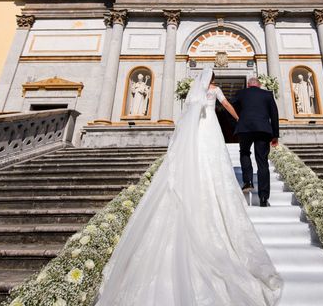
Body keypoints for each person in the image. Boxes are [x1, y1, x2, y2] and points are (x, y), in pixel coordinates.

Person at [97, 68, 283, 306]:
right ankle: (256, 194)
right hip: (225, 130)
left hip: (198, 132)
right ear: (214, 80)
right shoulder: (219, 91)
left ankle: (232, 181)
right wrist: (242, 119)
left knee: (210, 157)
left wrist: (243, 118)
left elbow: (190, 113)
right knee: (236, 161)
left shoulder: (196, 94)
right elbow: (228, 105)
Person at [231, 77, 279, 207]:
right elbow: (274, 114)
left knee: (245, 152)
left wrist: (239, 118)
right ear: (260, 85)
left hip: (245, 128)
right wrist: (275, 135)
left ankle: (248, 182)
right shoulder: (267, 94)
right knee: (262, 161)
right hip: (263, 129)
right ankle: (263, 198)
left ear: (248, 84)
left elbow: (231, 107)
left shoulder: (240, 93)